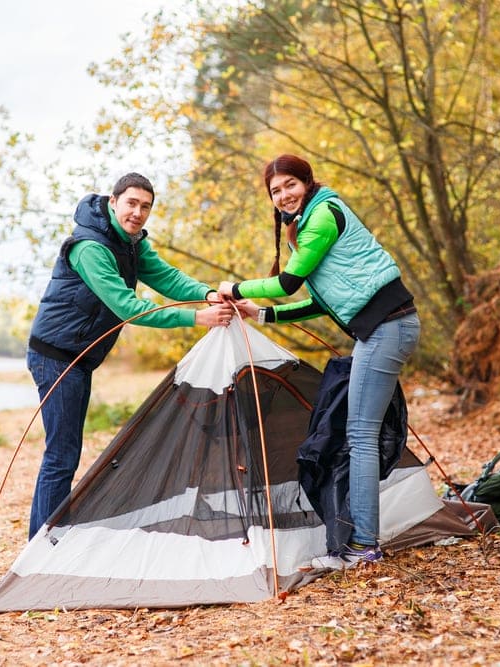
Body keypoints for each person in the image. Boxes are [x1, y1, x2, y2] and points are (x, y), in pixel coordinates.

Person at [218, 154, 420, 566]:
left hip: (389, 325)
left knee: (360, 436)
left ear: (306, 182)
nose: (284, 195)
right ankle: (362, 540)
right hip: (381, 328)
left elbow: (288, 283)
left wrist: (234, 287)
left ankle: (363, 545)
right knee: (358, 433)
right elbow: (318, 301)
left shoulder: (324, 213)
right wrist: (262, 313)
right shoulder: (310, 220)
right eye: (275, 191)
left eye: (290, 184)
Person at [27, 172, 234, 539]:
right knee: (62, 455)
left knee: (67, 451)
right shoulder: (90, 248)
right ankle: (41, 545)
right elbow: (128, 307)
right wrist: (197, 317)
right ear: (113, 202)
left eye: (145, 207)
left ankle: (53, 536)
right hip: (55, 357)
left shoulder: (133, 244)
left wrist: (207, 294)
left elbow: (166, 277)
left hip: (79, 357)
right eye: (131, 203)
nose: (137, 213)